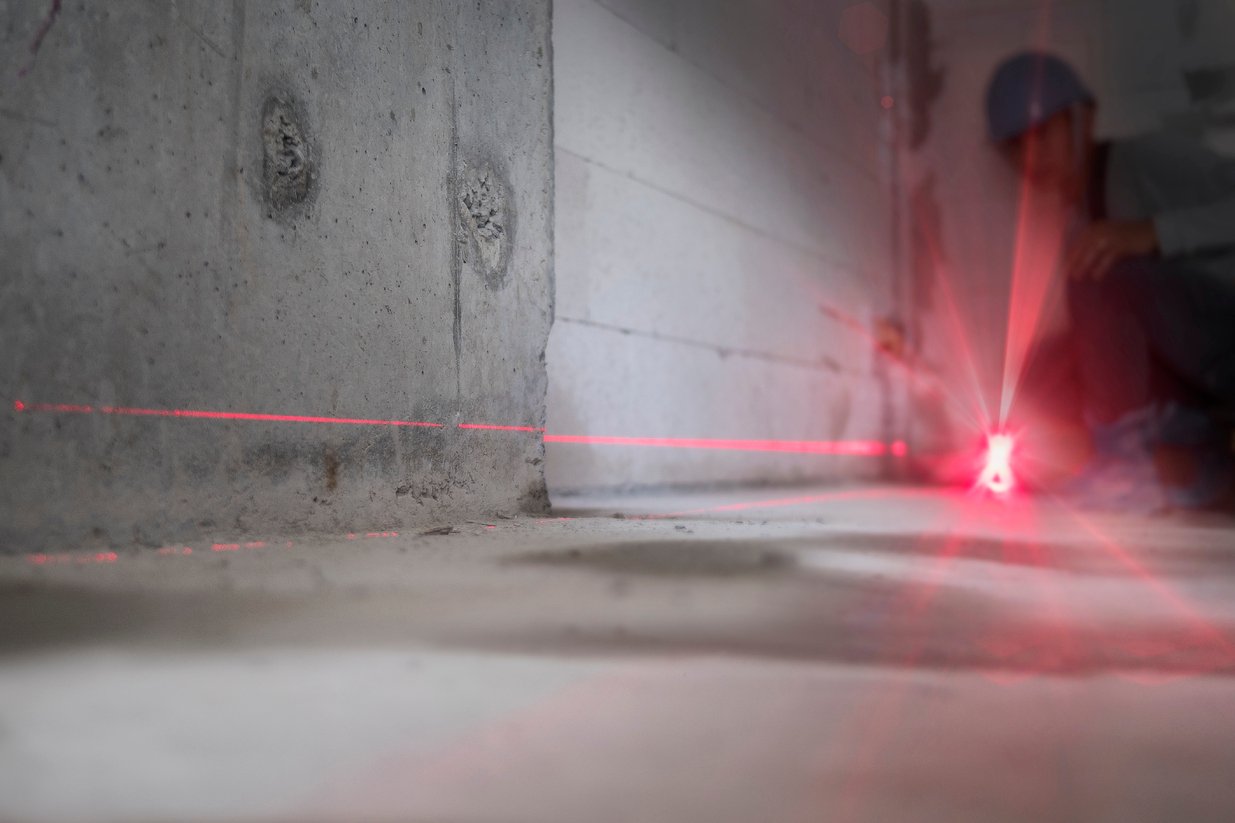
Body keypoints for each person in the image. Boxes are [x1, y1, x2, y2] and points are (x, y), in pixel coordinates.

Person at [986, 52, 1235, 510]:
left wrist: (1154, 232)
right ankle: (1194, 463)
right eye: (1016, 146)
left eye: (1042, 134)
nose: (1030, 156)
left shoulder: (1145, 160)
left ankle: (1131, 467)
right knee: (1043, 367)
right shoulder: (1077, 221)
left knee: (1100, 268)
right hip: (1195, 367)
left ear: (1084, 118)